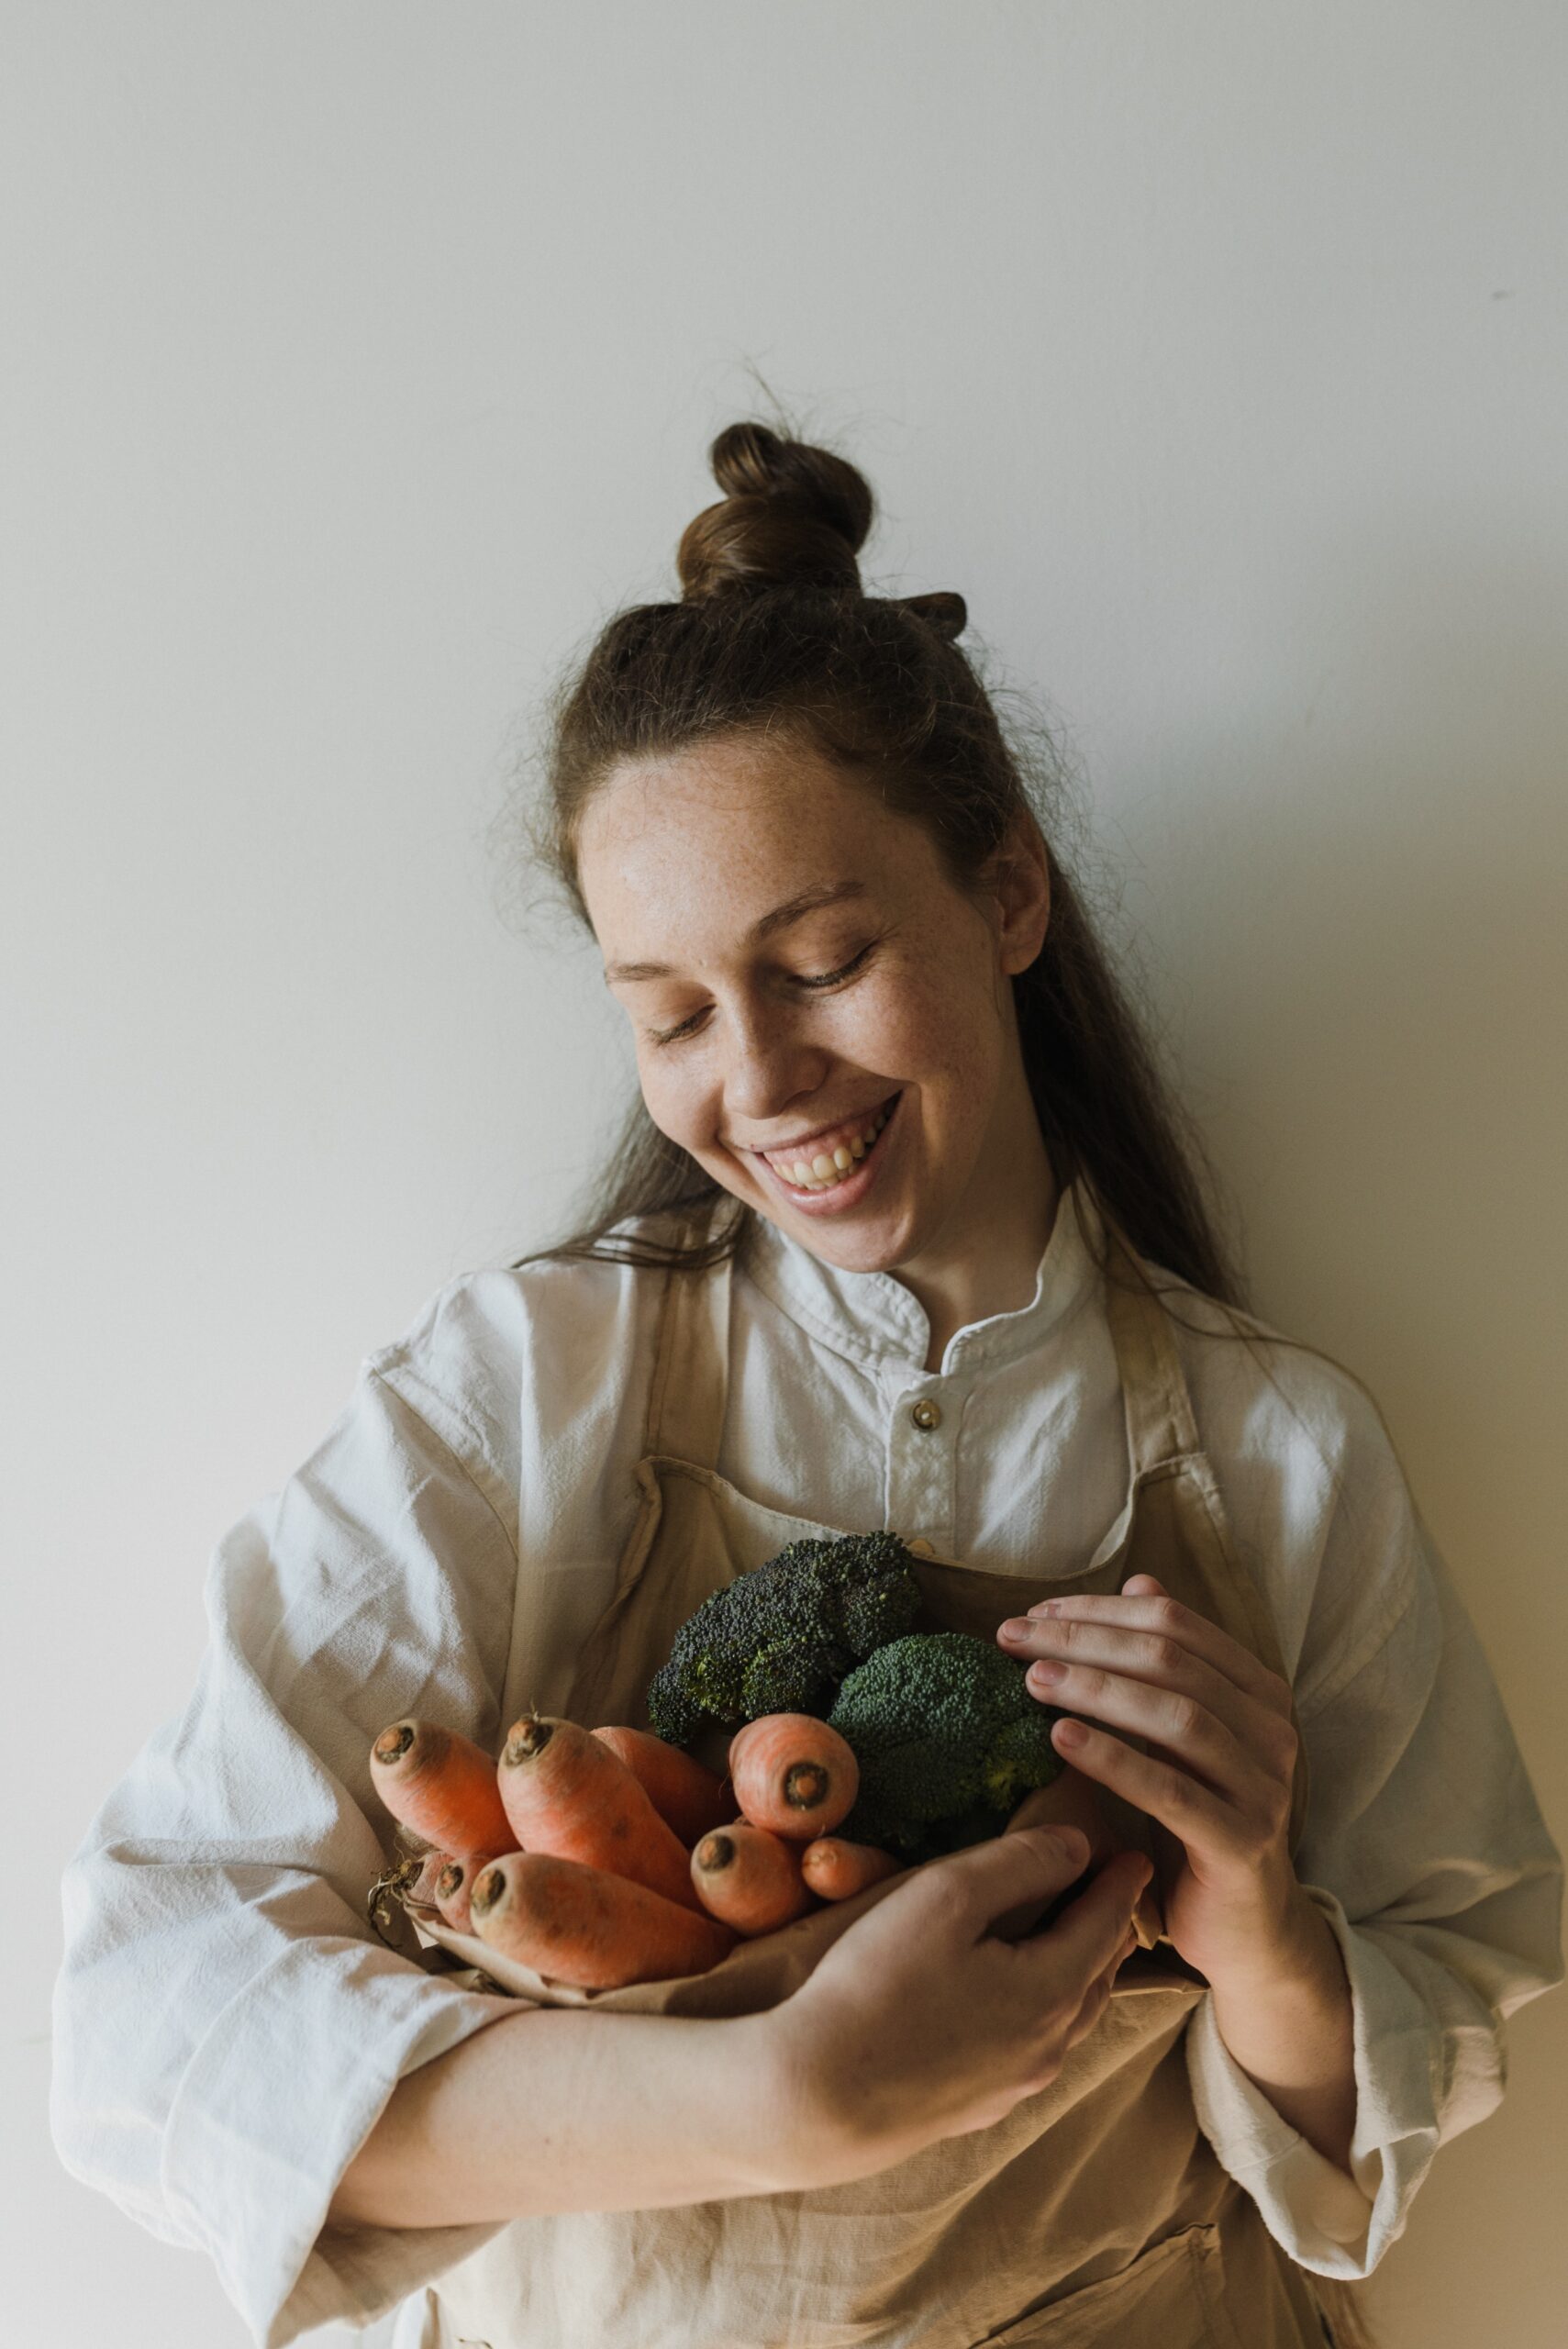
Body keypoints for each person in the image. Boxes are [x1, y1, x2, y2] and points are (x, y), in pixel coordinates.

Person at [52, 420, 1562, 2349]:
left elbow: (1458, 1992)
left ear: (1007, 894)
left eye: (824, 960)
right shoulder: (525, 1388)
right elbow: (142, 2017)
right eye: (671, 1012)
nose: (755, 1082)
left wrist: (1257, 1916)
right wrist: (780, 2092)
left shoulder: (1280, 1449)